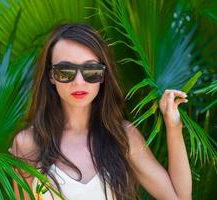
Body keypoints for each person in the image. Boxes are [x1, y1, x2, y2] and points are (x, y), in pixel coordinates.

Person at [10, 23, 192, 200]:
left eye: (91, 70)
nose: (79, 82)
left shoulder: (123, 136)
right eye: (65, 71)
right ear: (51, 76)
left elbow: (180, 197)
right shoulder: (27, 143)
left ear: (103, 75)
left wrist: (173, 127)